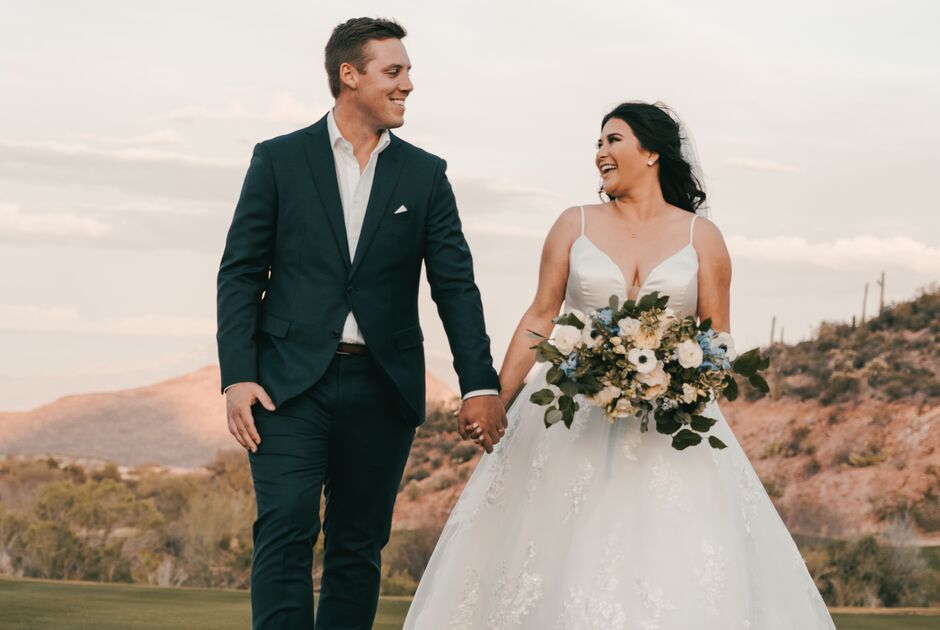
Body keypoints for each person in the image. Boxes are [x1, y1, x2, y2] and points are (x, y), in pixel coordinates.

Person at [403, 101, 837, 629]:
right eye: (598, 143)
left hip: (668, 427)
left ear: (651, 152)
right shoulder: (574, 224)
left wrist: (678, 382)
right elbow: (541, 317)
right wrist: (494, 397)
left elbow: (716, 339)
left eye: (613, 140)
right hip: (570, 414)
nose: (600, 153)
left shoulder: (703, 238)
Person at [215, 17, 507, 630]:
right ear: (349, 75)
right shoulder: (278, 159)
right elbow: (240, 273)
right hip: (286, 387)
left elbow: (455, 285)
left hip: (383, 387)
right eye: (393, 72)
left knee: (358, 543)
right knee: (286, 527)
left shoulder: (425, 174)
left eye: (408, 73)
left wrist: (479, 384)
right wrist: (238, 376)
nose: (407, 85)